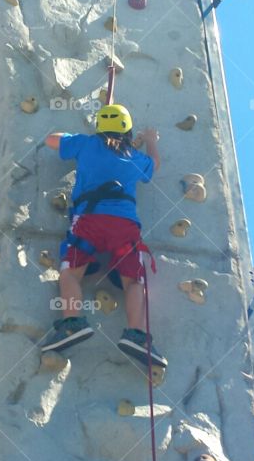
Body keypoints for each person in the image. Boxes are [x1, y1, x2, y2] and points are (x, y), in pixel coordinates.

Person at [40, 103, 167, 369]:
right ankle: (136, 335)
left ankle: (73, 323)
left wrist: (72, 137)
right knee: (134, 281)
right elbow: (154, 165)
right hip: (125, 225)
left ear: (99, 128)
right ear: (128, 132)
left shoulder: (86, 145)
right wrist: (151, 141)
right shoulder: (134, 156)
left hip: (89, 220)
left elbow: (51, 140)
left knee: (71, 273)